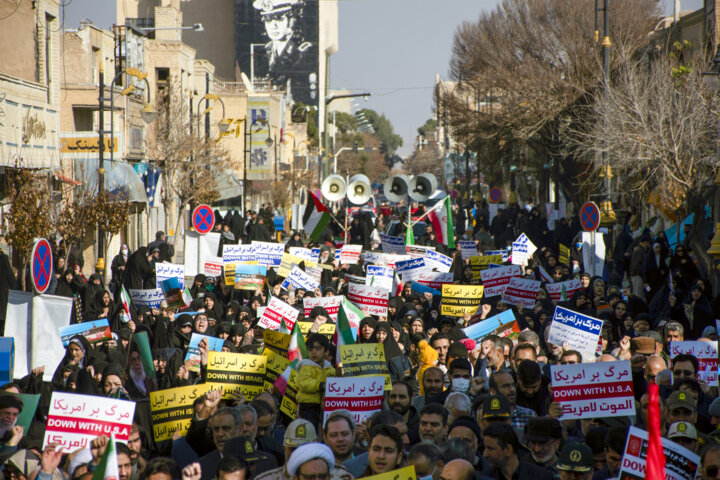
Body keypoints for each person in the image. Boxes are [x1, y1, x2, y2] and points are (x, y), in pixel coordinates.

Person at [481, 423, 554, 480]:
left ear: (508, 449)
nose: (485, 454)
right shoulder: (483, 478)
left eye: (490, 448)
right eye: (485, 448)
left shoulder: (541, 477)